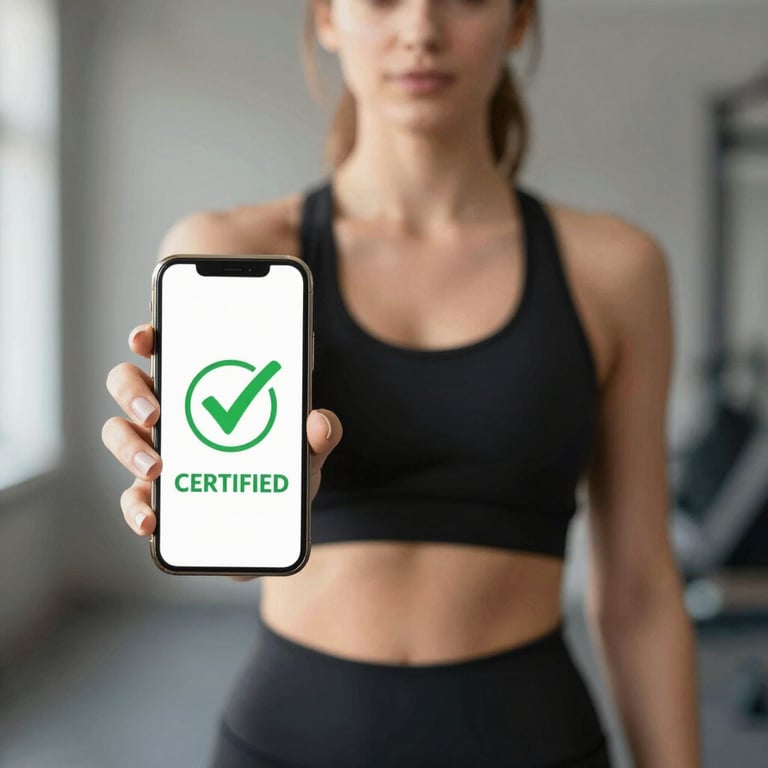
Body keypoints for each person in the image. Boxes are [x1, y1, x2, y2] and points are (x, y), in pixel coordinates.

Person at [101, 1, 701, 765]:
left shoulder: (615, 271)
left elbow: (641, 593)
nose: (421, 29)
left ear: (519, 20)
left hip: (534, 742)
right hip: (290, 741)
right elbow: (237, 551)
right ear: (325, 16)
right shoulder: (229, 251)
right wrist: (208, 503)